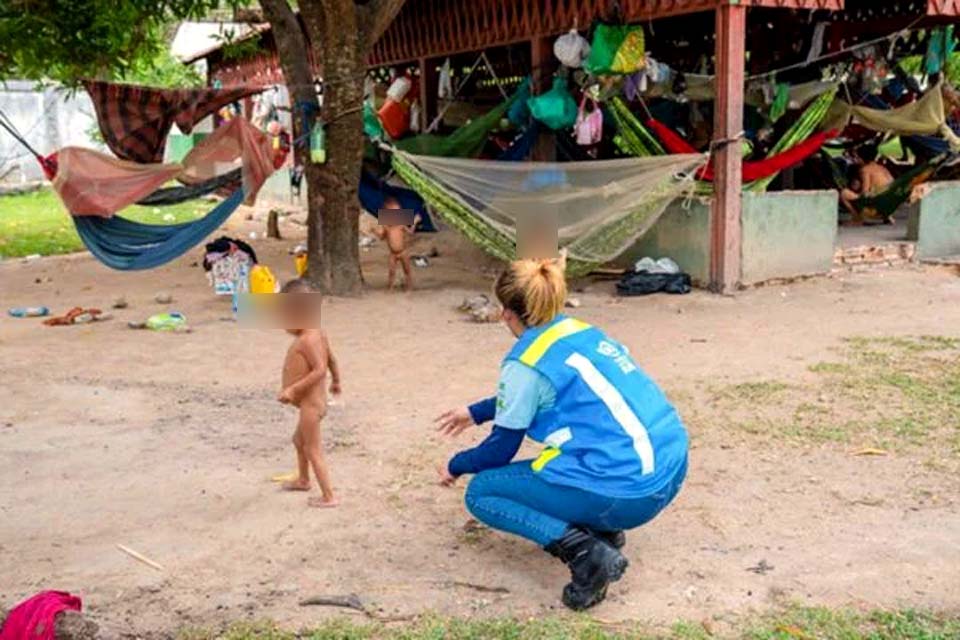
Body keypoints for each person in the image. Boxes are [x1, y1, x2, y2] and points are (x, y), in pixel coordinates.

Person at [434, 258, 688, 611]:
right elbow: (538, 392)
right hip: (670, 470)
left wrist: (456, 464)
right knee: (575, 462)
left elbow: (499, 451)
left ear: (506, 313)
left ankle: (587, 554)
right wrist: (476, 412)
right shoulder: (580, 331)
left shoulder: (524, 363)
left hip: (627, 493)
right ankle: (602, 529)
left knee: (482, 492)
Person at [278, 278, 342, 508]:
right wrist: (337, 381)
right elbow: (331, 359)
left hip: (311, 406)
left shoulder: (308, 339)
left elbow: (319, 369)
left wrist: (292, 389)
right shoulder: (318, 334)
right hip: (310, 404)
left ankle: (329, 496)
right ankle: (304, 479)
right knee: (298, 440)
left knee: (312, 449)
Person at [839, 146, 895, 225]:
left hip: (875, 207)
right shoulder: (882, 168)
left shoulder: (865, 170)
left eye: (857, 157)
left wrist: (856, 191)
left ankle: (857, 218)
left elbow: (865, 193)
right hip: (889, 206)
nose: (856, 159)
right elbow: (892, 183)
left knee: (844, 193)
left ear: (862, 158)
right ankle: (887, 216)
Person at [373, 197, 419, 291]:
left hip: (403, 252)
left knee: (407, 271)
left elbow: (410, 232)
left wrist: (415, 222)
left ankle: (409, 286)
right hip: (393, 253)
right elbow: (382, 237)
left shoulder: (401, 225)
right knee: (391, 271)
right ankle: (390, 287)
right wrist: (375, 231)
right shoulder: (386, 227)